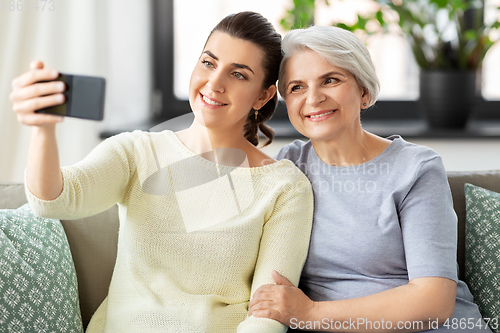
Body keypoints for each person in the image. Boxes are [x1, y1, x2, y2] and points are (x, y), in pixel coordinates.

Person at [9, 12, 314, 333]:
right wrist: (41, 130)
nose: (214, 83)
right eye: (208, 63)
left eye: (238, 75)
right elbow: (53, 201)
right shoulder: (136, 152)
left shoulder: (285, 186)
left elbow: (267, 315)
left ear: (263, 95)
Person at [247, 25, 492, 333]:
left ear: (363, 91)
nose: (314, 98)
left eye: (331, 80)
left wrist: (309, 313)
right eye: (297, 87)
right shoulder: (289, 165)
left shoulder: (416, 168)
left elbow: (434, 301)